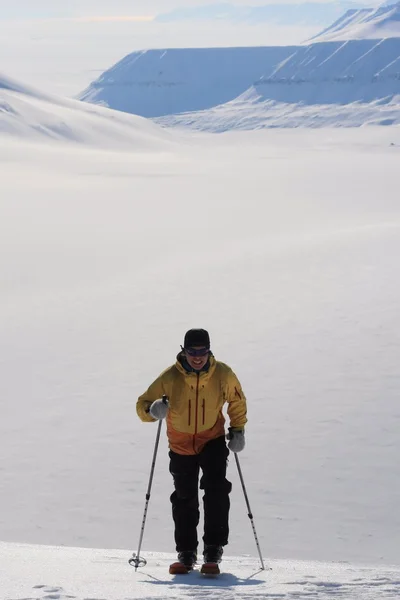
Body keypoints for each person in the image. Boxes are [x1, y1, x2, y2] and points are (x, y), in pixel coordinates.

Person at [136, 328, 247, 569]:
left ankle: (213, 549)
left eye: (202, 351)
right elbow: (142, 404)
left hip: (212, 439)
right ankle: (186, 552)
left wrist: (238, 431)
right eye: (192, 351)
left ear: (209, 350)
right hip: (180, 443)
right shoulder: (170, 377)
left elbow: (237, 401)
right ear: (183, 351)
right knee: (184, 498)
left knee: (216, 492)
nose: (198, 357)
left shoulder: (223, 374)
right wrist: (153, 410)